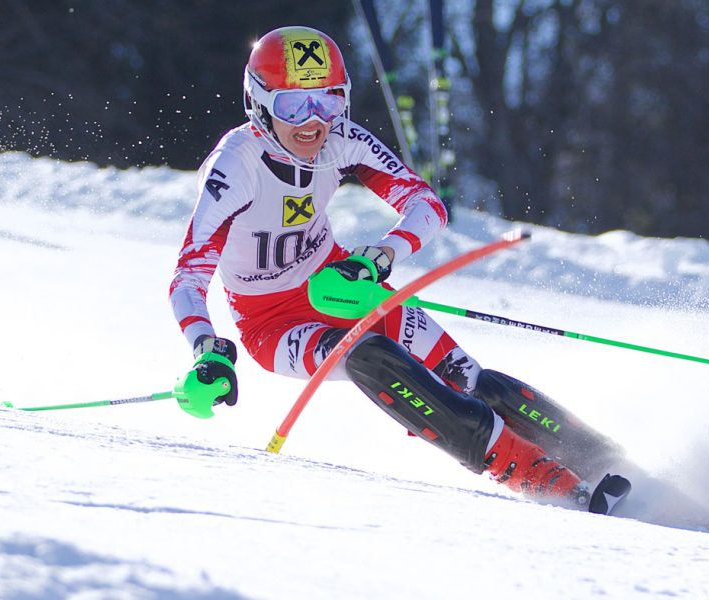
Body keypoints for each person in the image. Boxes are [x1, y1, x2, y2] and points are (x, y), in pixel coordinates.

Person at [169, 26, 630, 514]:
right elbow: (188, 278)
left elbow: (426, 205)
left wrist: (378, 258)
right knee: (373, 358)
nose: (313, 123)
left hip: (341, 284)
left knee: (468, 380)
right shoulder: (235, 168)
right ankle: (537, 476)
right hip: (272, 323)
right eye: (292, 106)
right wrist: (206, 349)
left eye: (328, 101)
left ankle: (608, 463)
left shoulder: (341, 140)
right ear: (259, 105)